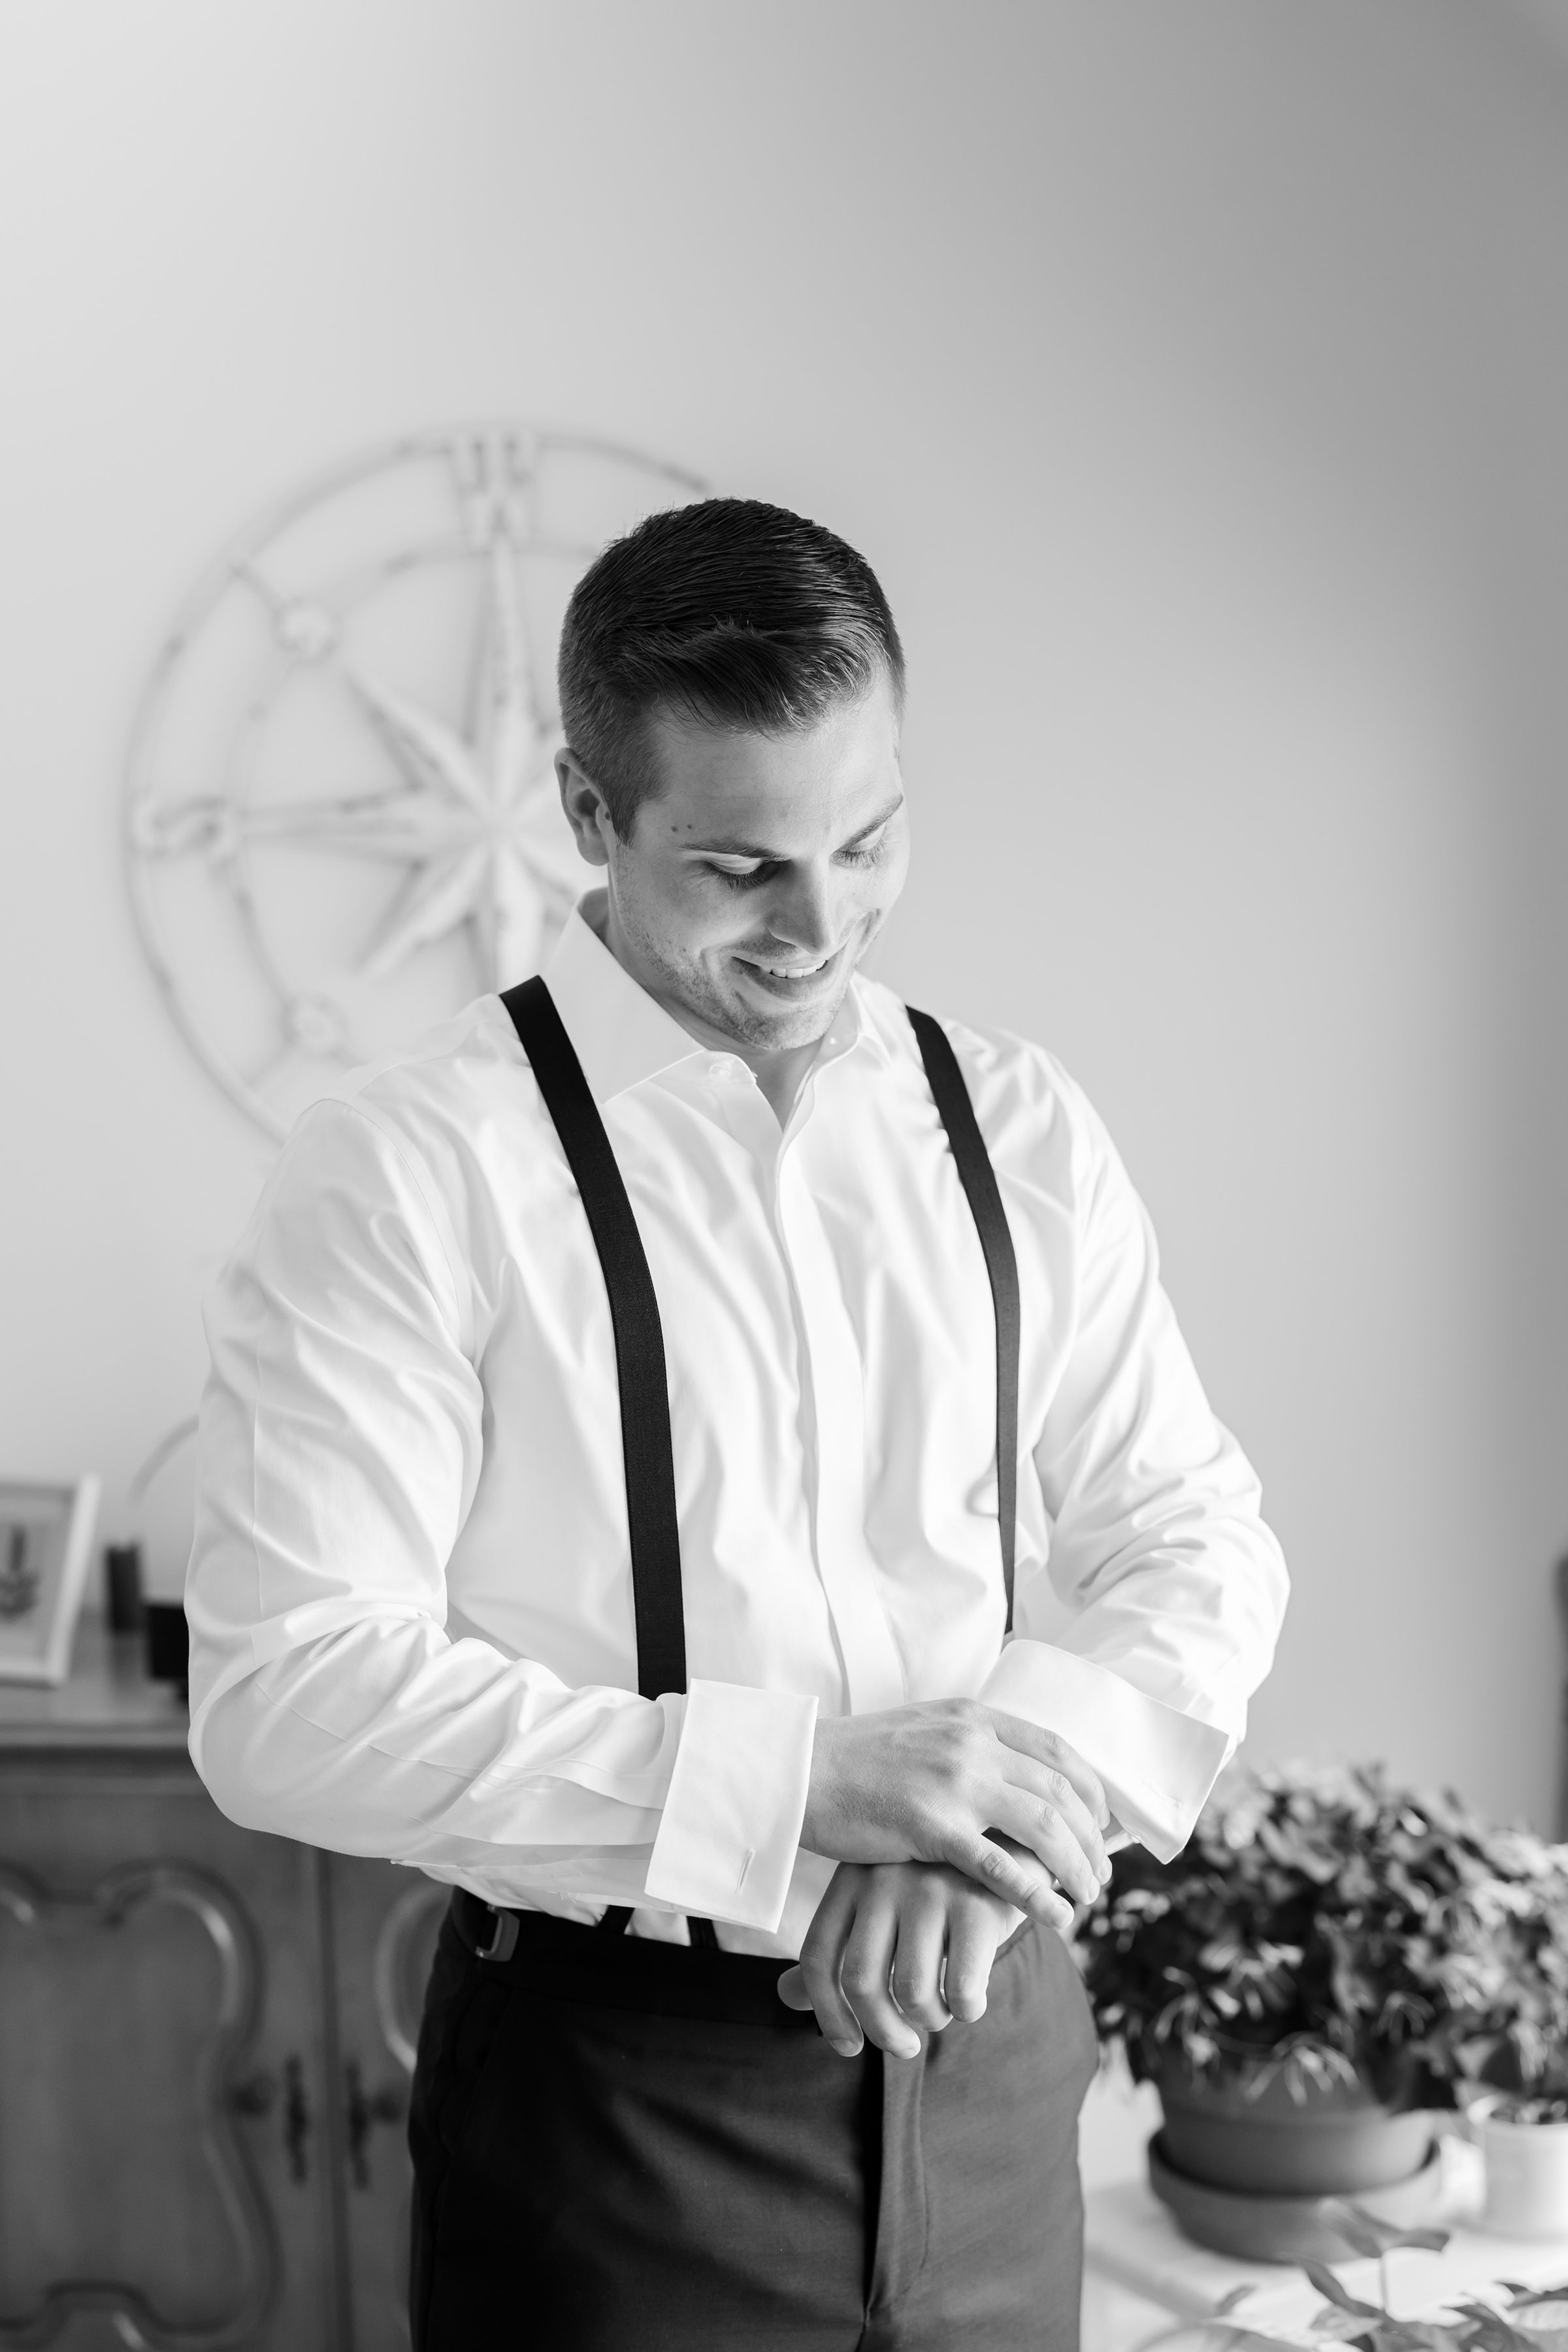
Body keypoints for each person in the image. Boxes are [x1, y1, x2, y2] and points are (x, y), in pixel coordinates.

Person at [186, 497, 1288, 2351]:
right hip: (617, 2101)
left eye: (869, 840)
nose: (824, 922)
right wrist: (805, 1789)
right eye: (742, 869)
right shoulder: (408, 1168)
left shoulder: (1017, 1121)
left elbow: (1190, 1534)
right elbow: (287, 1695)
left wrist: (972, 1821)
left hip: (999, 2051)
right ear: (588, 814)